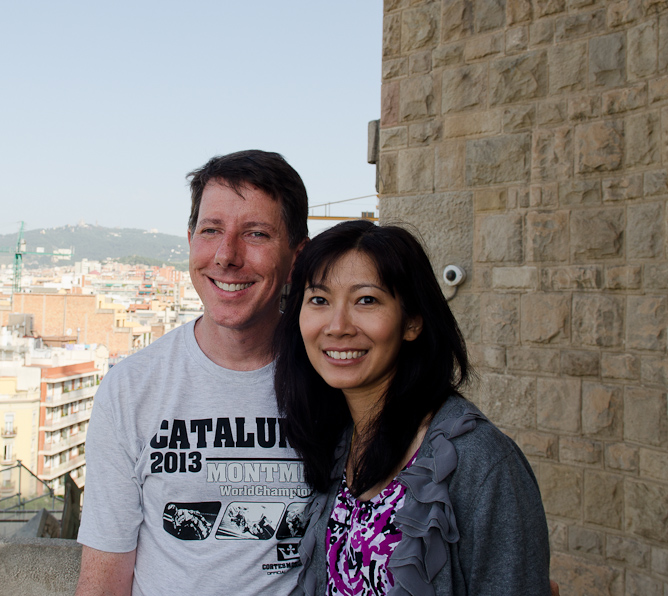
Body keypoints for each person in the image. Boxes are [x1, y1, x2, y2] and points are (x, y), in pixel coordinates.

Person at [75, 150, 311, 596]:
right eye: (211, 231)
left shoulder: (331, 381)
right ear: (190, 240)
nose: (226, 256)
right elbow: (104, 576)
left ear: (296, 257)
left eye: (256, 233)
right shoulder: (131, 389)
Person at [273, 220, 551, 595]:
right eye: (319, 300)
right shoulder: (337, 441)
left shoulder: (479, 462)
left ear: (413, 321)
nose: (337, 326)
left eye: (366, 300)